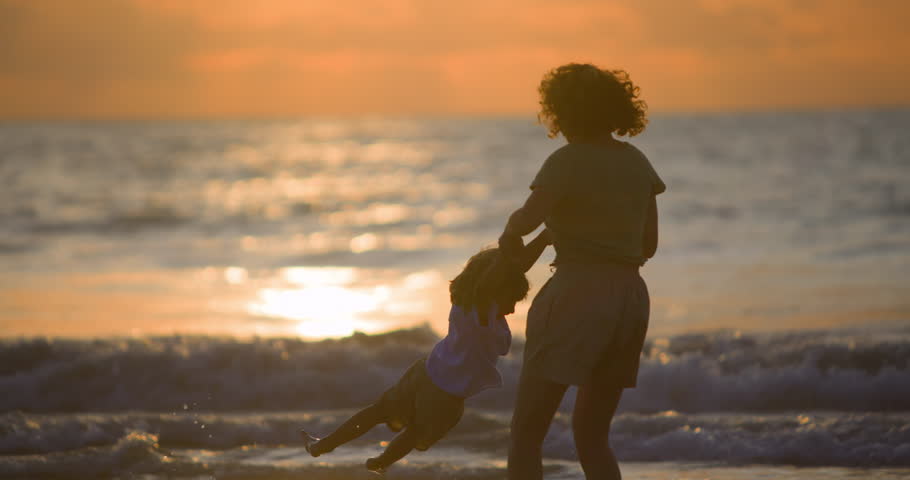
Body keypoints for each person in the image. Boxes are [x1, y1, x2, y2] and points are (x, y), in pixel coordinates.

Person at [500, 63, 665, 480]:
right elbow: (648, 246)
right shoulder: (637, 163)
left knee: (526, 432)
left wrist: (509, 234)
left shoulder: (566, 161)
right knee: (592, 437)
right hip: (630, 297)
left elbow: (528, 219)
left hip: (577, 293)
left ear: (561, 112)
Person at [300, 234, 551, 473]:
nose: (512, 309)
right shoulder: (484, 313)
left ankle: (323, 445)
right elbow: (499, 278)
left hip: (426, 371)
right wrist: (521, 243)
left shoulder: (465, 303)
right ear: (497, 291)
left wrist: (543, 238)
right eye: (512, 300)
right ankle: (381, 462)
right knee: (416, 432)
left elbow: (507, 273)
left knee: (377, 411)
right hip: (446, 394)